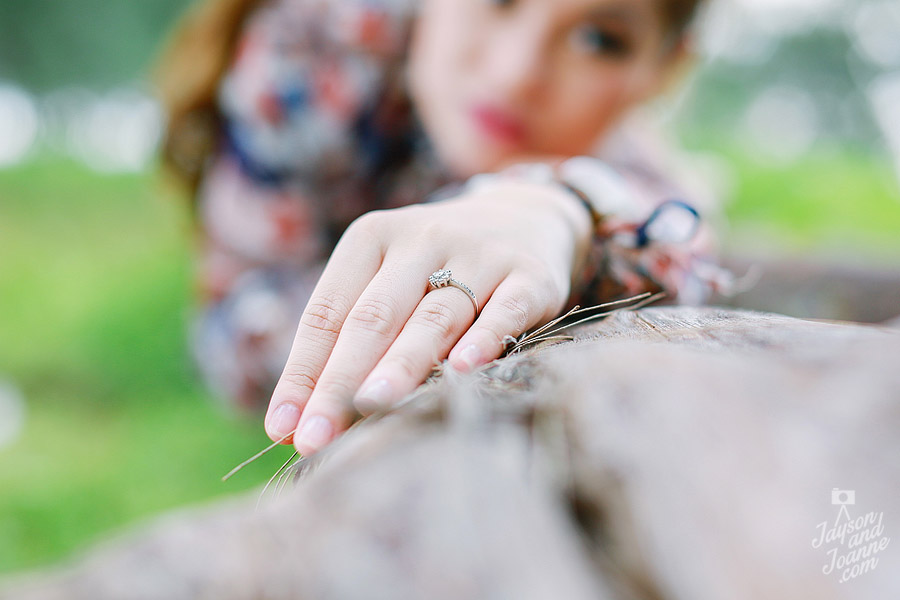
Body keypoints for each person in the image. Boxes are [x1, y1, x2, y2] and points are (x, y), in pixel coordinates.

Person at [155, 0, 735, 458]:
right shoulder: (309, 52)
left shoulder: (621, 156)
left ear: (663, 69)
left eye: (599, 40)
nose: (515, 73)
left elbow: (683, 238)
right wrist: (404, 329)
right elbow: (231, 324)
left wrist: (559, 212)